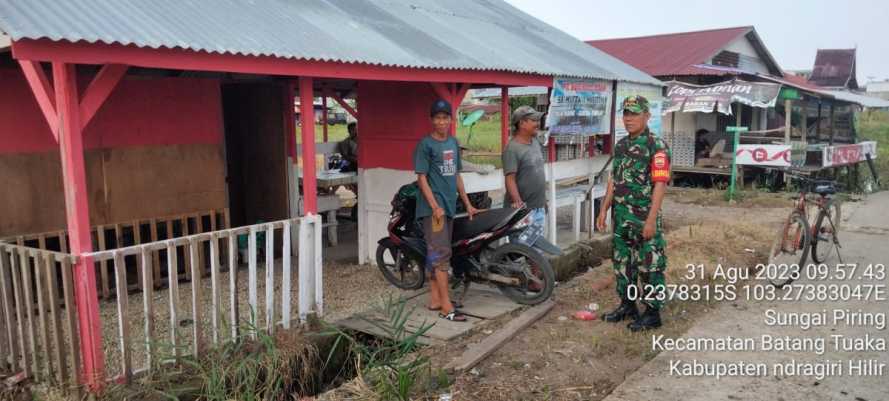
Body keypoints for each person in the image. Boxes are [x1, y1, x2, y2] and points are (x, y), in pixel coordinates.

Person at [596, 95, 671, 332]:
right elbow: (615, 179)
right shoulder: (621, 145)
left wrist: (650, 220)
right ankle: (627, 305)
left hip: (643, 218)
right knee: (622, 264)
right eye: (626, 113)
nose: (628, 119)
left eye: (634, 114)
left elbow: (660, 185)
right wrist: (604, 208)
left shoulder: (656, 146)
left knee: (649, 265)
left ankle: (652, 313)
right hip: (621, 218)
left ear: (647, 116)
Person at [414, 99, 479, 322]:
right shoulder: (426, 145)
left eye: (445, 117)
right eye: (437, 118)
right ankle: (446, 306)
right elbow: (421, 178)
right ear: (431, 120)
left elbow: (457, 176)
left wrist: (467, 203)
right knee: (441, 256)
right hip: (434, 211)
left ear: (451, 120)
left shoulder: (453, 143)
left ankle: (435, 299)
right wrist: (434, 206)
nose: (441, 122)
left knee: (436, 253)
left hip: (449, 208)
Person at [502, 105, 547, 249]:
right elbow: (510, 178)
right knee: (524, 253)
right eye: (533, 120)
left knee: (538, 251)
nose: (537, 124)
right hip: (524, 212)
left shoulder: (535, 143)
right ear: (521, 123)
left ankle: (536, 272)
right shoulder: (512, 148)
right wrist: (518, 203)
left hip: (538, 208)